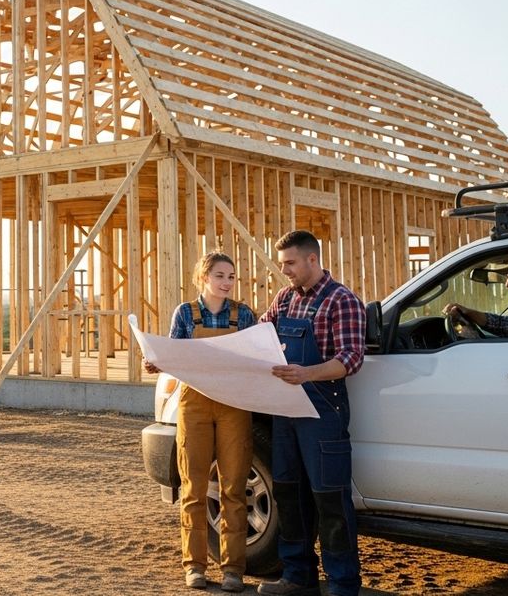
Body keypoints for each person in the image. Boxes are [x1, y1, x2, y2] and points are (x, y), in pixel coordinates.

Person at [256, 231, 365, 596]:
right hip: (285, 410)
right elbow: (259, 334)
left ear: (312, 260)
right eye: (282, 263)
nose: (284, 270)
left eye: (289, 263)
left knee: (329, 499)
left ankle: (342, 584)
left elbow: (351, 359)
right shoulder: (284, 299)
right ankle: (297, 576)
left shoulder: (341, 300)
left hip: (323, 409)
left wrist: (307, 373)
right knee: (289, 493)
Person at [147, 252, 257, 592]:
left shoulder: (244, 315)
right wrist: (157, 363)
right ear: (204, 277)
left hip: (233, 405)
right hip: (193, 404)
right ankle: (194, 566)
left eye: (232, 276)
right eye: (220, 275)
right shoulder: (185, 313)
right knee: (194, 488)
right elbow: (175, 359)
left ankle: (233, 569)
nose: (227, 282)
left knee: (234, 489)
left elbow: (255, 358)